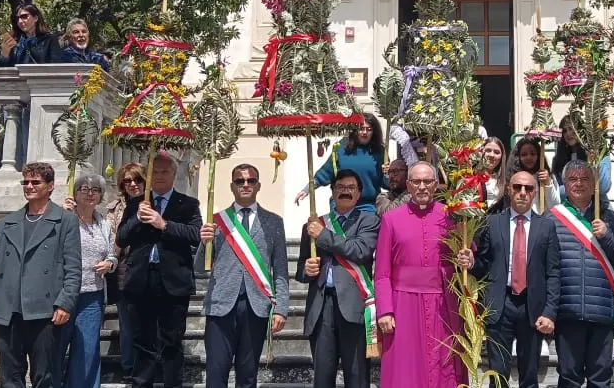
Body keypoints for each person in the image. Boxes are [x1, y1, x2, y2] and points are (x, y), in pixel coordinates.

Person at [0, 162, 81, 388]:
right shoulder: (7, 222)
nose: (28, 186)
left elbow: (73, 267)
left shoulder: (65, 221)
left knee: (44, 377)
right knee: (9, 378)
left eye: (35, 182)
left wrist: (65, 304)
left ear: (50, 186)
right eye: (25, 182)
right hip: (8, 311)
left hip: (45, 311)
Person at [375, 162, 466, 388]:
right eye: (416, 182)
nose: (422, 187)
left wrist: (468, 258)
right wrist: (385, 310)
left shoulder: (451, 217)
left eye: (427, 181)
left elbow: (466, 253)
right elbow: (382, 272)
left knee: (444, 368)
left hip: (442, 305)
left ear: (436, 184)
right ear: (408, 185)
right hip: (403, 304)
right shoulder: (391, 219)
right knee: (405, 369)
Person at [197, 163, 288, 388]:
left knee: (248, 376)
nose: (245, 185)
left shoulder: (274, 222)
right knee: (216, 374)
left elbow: (281, 270)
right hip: (220, 306)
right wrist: (203, 243)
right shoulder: (217, 221)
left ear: (258, 185)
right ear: (232, 186)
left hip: (256, 306)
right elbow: (199, 269)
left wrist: (281, 308)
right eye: (240, 181)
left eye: (250, 181)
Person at [466, 170, 560, 388]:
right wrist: (471, 263)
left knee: (529, 376)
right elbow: (483, 265)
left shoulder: (546, 226)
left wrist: (550, 312)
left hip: (532, 307)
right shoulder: (492, 222)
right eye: (517, 187)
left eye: (528, 188)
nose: (522, 193)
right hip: (500, 304)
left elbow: (553, 272)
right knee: (498, 376)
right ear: (509, 190)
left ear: (535, 192)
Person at [117, 153, 203, 388]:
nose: (160, 176)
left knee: (171, 342)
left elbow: (195, 236)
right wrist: (137, 217)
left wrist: (163, 224)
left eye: (165, 172)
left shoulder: (187, 204)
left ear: (174, 174)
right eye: (155, 172)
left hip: (174, 282)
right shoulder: (136, 203)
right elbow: (122, 238)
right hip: (141, 281)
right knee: (142, 342)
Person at [297, 170, 381, 388]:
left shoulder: (369, 221)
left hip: (353, 306)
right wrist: (307, 269)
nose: (345, 192)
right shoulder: (315, 225)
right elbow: (301, 270)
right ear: (332, 192)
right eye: (340, 187)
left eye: (351, 188)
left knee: (357, 376)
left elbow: (359, 251)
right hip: (321, 306)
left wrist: (323, 235)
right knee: (323, 378)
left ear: (359, 193)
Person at [549, 160, 614, 388]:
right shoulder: (553, 218)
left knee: (600, 378)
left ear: (594, 183)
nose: (579, 184)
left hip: (601, 310)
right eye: (573, 179)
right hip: (568, 311)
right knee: (569, 377)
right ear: (564, 184)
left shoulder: (610, 218)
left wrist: (607, 236)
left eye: (585, 179)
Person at [58, 174, 118, 388]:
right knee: (57, 348)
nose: (90, 193)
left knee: (87, 350)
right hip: (64, 294)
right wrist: (61, 215)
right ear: (75, 193)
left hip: (92, 295)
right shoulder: (63, 218)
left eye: (95, 190)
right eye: (84, 188)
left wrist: (110, 264)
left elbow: (112, 254)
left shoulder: (103, 223)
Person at [297, 113, 386, 212]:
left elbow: (387, 182)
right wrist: (307, 189)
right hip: (340, 204)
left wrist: (388, 174)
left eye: (369, 129)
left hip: (367, 207)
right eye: (361, 128)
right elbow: (325, 173)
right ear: (354, 130)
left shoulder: (380, 152)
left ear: (374, 132)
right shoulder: (342, 148)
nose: (364, 132)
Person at [106, 164, 146, 379]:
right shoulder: (115, 209)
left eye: (138, 180)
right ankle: (129, 366)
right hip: (125, 268)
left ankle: (148, 364)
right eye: (128, 181)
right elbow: (111, 240)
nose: (133, 184)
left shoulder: (155, 203)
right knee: (127, 321)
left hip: (150, 270)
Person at [551, 117, 612, 197]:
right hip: (567, 206)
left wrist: (594, 163)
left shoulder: (599, 153)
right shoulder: (559, 159)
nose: (568, 134)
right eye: (564, 131)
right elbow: (556, 190)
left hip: (596, 205)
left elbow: (603, 187)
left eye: (571, 128)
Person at [511, 137, 560, 211]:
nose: (529, 157)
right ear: (518, 157)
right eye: (524, 154)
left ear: (539, 155)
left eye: (533, 154)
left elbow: (555, 205)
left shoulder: (548, 177)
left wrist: (547, 183)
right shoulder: (512, 177)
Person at [480, 137, 509, 206]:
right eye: (488, 150)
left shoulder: (507, 180)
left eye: (496, 152)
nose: (492, 155)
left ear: (502, 157)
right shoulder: (470, 176)